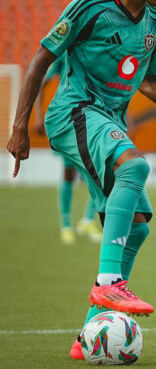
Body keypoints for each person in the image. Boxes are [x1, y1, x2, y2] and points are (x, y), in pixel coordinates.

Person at [6, 0, 156, 360]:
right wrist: (20, 125)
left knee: (138, 225)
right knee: (134, 168)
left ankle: (88, 336)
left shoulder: (154, 24)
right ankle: (107, 285)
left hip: (108, 119)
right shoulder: (90, 7)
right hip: (74, 111)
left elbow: (149, 81)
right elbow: (42, 58)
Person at [34, 53, 102, 245]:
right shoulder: (64, 52)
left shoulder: (95, 49)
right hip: (67, 120)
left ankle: (88, 220)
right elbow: (43, 83)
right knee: (69, 173)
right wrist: (39, 117)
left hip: (93, 119)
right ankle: (66, 225)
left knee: (100, 172)